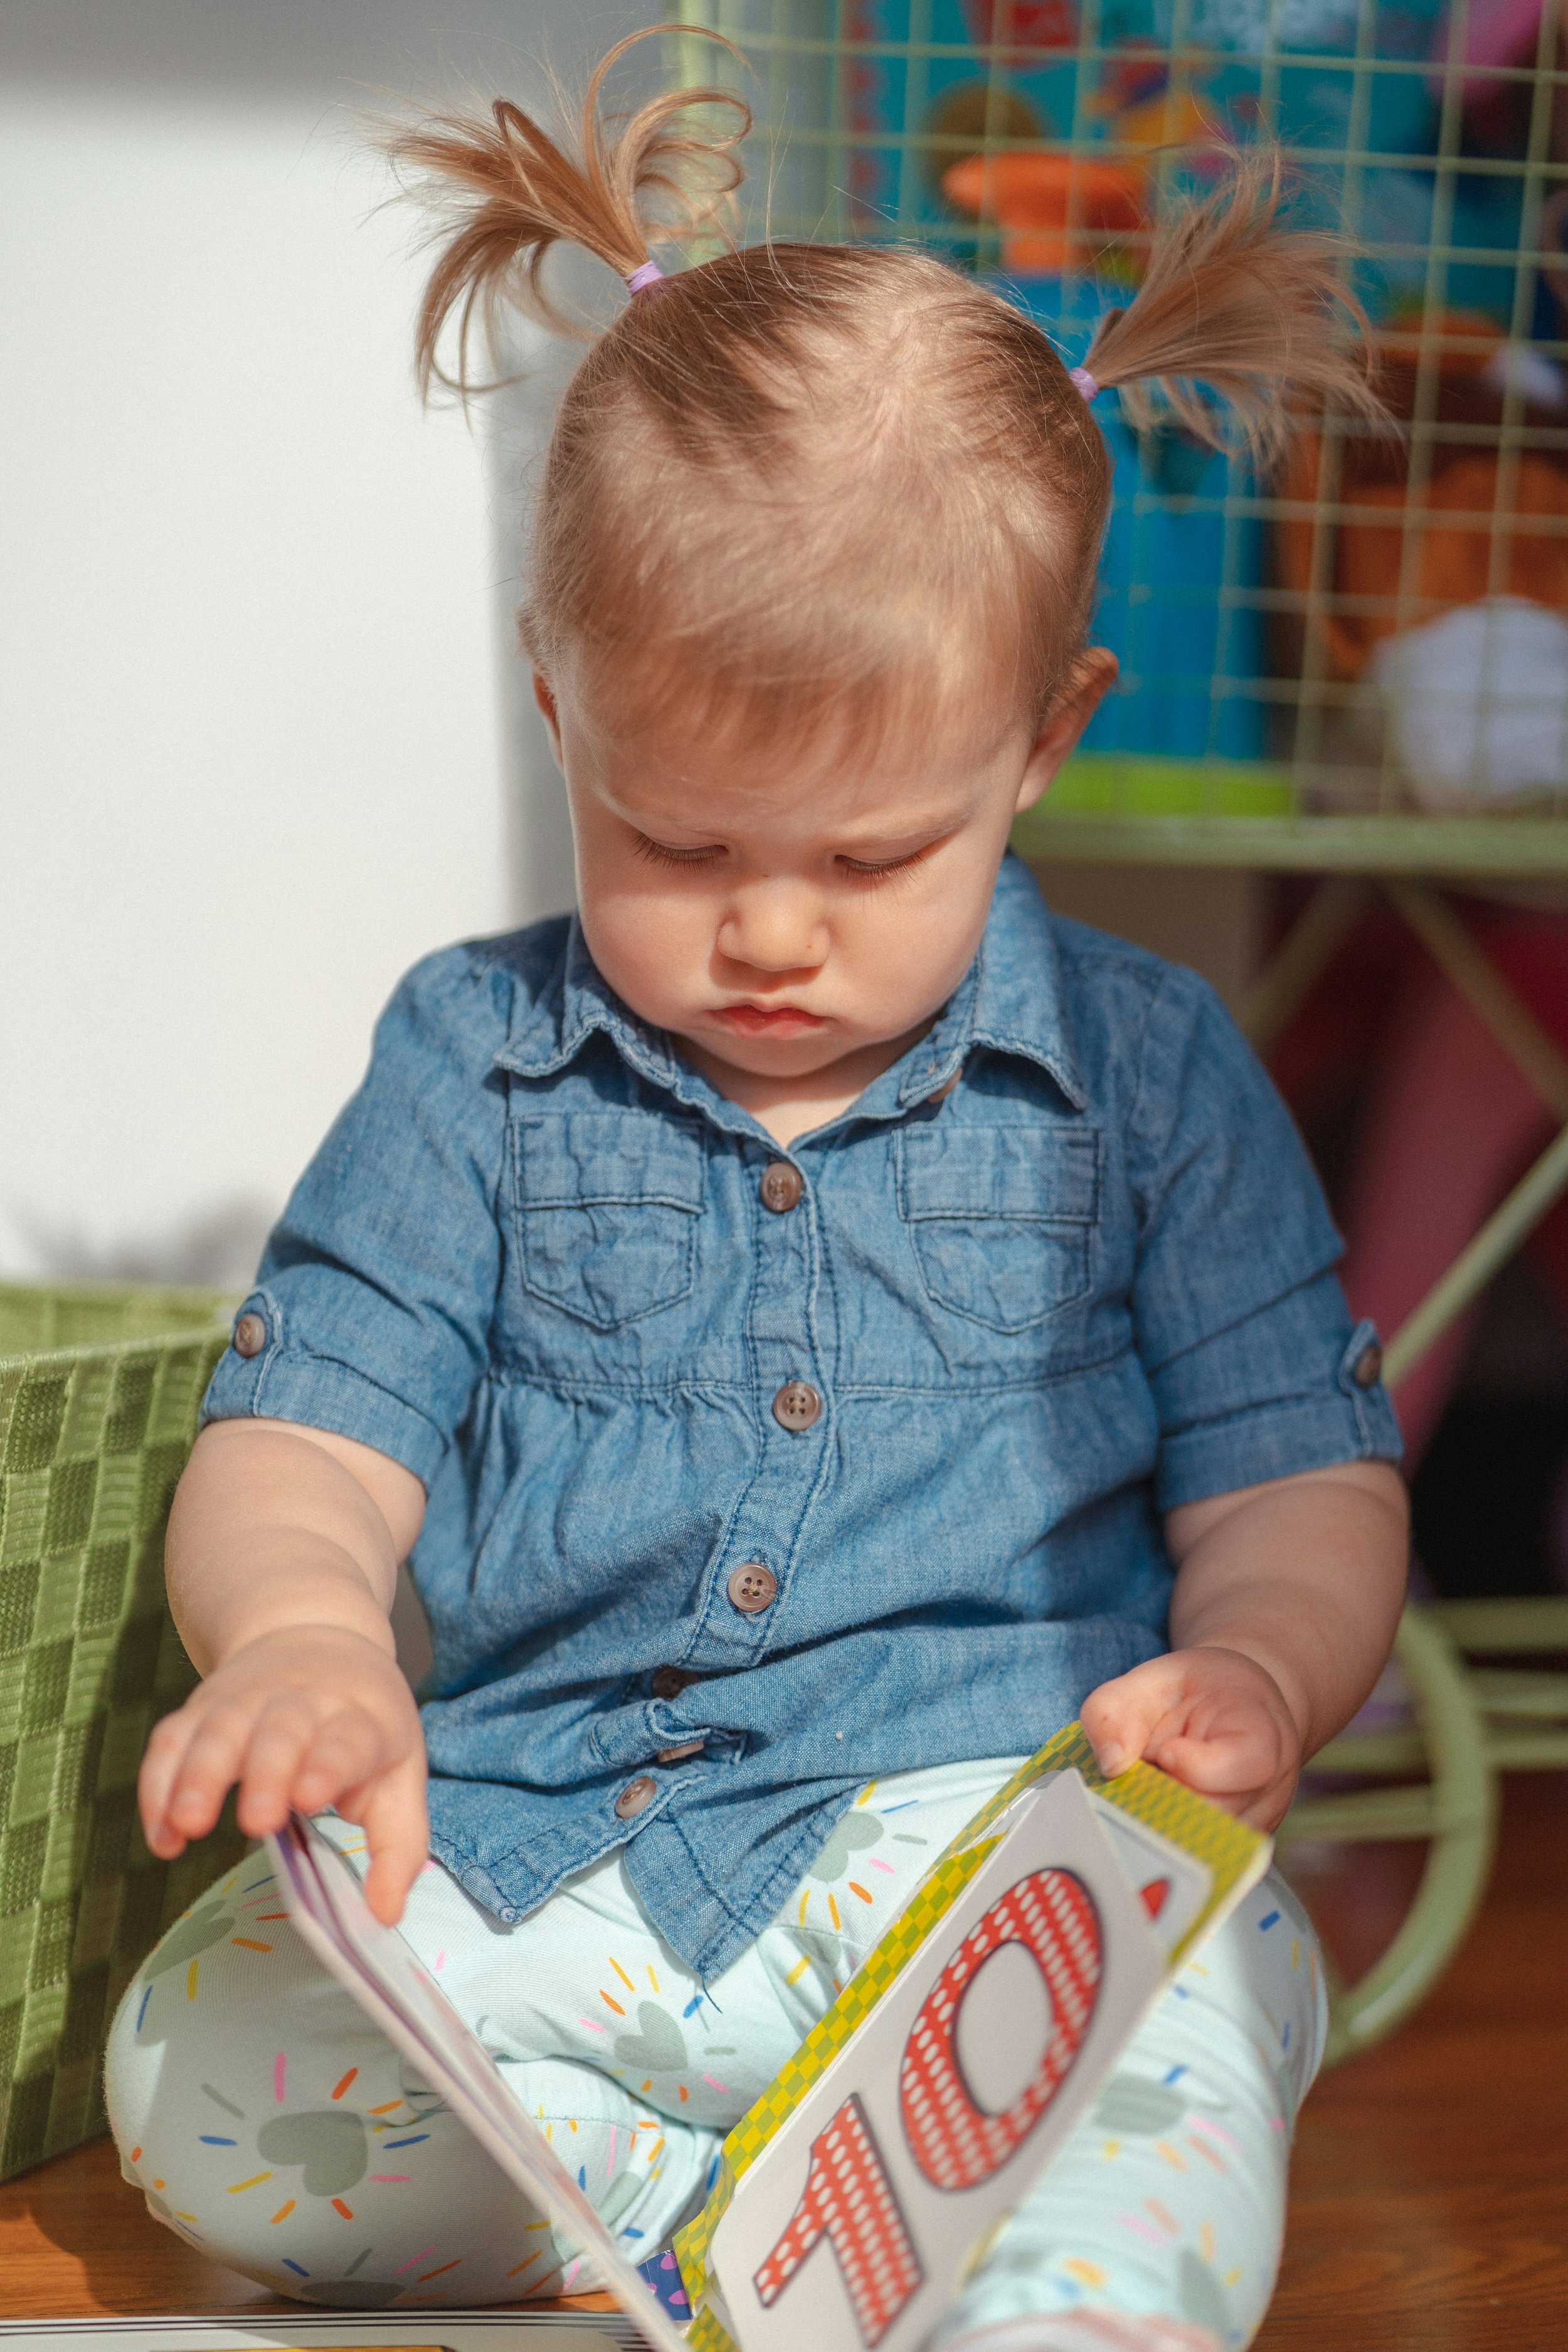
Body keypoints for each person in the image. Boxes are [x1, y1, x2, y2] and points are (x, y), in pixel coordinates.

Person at [105, 34, 1406, 2352]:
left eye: (874, 852)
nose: (771, 932)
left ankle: (977, 2224)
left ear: (1044, 736)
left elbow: (1295, 1477)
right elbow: (313, 1428)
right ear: (557, 698)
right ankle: (683, 2206)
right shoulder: (472, 1056)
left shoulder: (1147, 1072)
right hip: (549, 1845)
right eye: (676, 842)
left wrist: (1258, 1677)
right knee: (206, 2095)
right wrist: (303, 1637)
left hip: (978, 1865)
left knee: (1170, 2054)